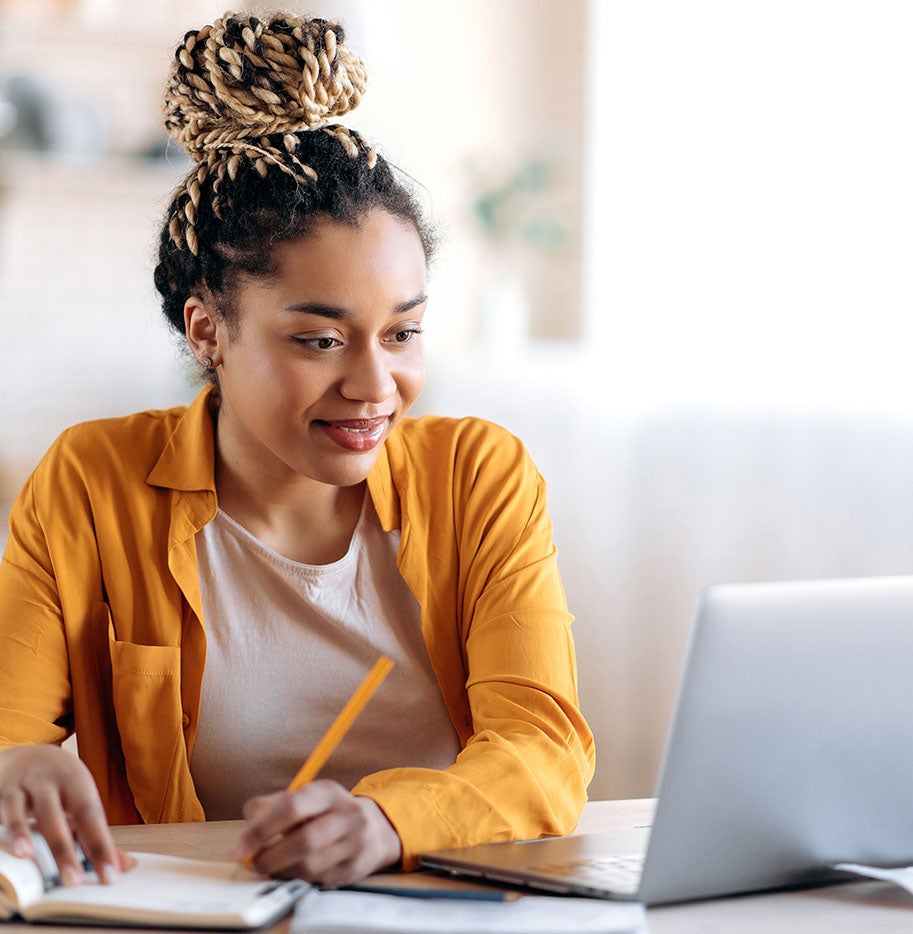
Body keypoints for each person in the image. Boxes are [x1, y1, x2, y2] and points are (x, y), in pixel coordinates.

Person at [0, 11, 594, 889]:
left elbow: (544, 748)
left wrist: (388, 822)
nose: (373, 384)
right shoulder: (94, 482)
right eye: (319, 341)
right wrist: (13, 767)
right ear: (208, 329)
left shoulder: (478, 475)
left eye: (403, 333)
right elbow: (8, 730)